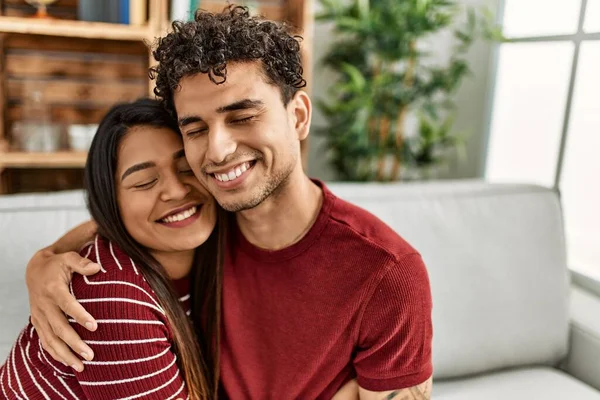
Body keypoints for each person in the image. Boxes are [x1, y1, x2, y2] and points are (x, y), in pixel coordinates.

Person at [24, 6, 434, 399]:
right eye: (196, 128)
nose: (217, 151)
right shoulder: (204, 217)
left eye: (242, 117)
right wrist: (44, 260)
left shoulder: (386, 272)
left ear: (298, 116)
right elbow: (122, 221)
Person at [1, 99, 225, 399]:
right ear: (111, 204)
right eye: (145, 182)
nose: (176, 190)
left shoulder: (215, 247)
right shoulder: (111, 297)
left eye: (186, 168)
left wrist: (45, 257)